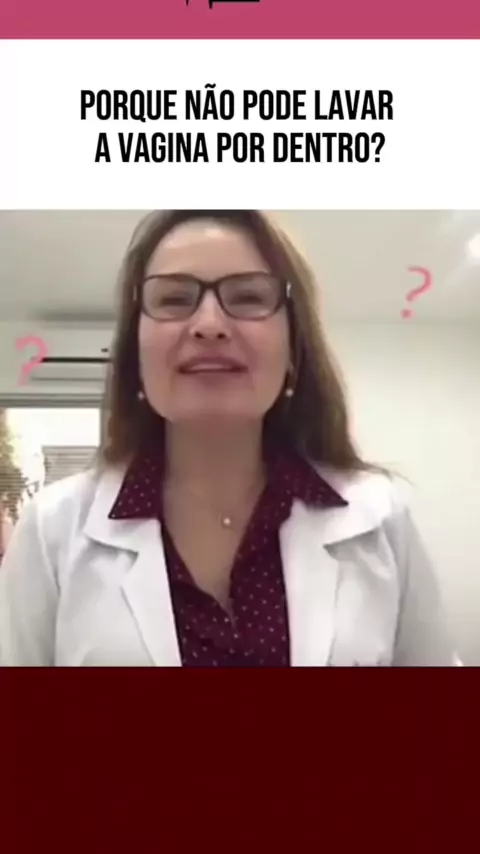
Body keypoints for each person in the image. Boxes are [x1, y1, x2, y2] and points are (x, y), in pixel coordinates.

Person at [0, 210, 459, 667]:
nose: (209, 323)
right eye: (174, 299)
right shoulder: (50, 531)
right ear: (135, 352)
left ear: (293, 348)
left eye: (248, 297)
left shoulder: (381, 518)